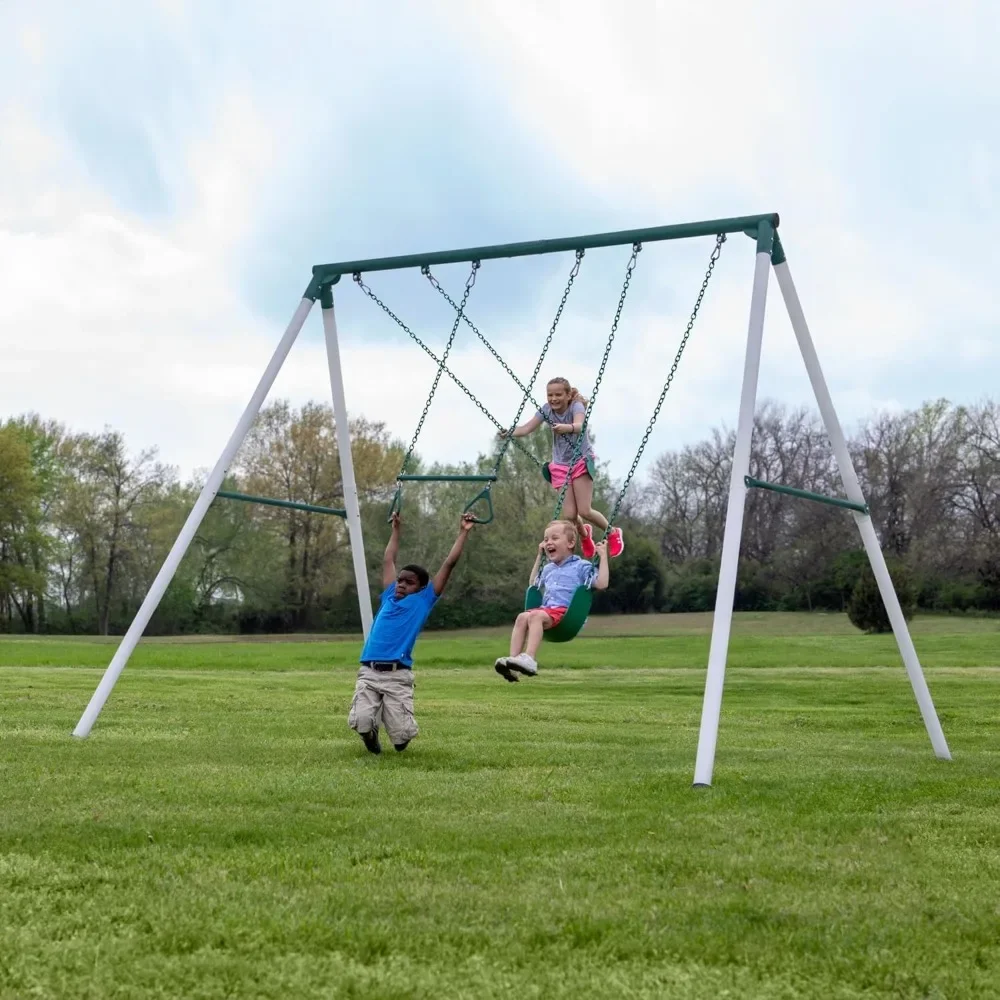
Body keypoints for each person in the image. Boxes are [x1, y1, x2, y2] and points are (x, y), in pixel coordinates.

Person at [349, 511, 475, 754]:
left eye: (409, 582)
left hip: (397, 675)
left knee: (401, 739)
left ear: (421, 587)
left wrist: (463, 532)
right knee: (361, 722)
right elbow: (388, 559)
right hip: (369, 670)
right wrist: (396, 530)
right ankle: (371, 733)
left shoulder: (423, 601)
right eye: (400, 580)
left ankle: (392, 720)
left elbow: (449, 564)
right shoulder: (388, 596)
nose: (401, 585)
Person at [499, 376, 624, 559]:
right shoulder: (547, 410)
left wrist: (567, 428)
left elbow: (580, 425)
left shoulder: (576, 406)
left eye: (558, 394)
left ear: (567, 395)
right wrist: (510, 432)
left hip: (580, 460)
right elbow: (527, 428)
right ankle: (584, 535)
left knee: (584, 510)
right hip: (560, 466)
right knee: (570, 514)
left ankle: (612, 532)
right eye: (550, 395)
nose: (554, 399)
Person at [495, 519, 609, 682]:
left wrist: (603, 557)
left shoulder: (581, 566)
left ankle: (530, 659)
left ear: (570, 543)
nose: (549, 542)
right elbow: (533, 584)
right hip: (548, 611)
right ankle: (512, 663)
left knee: (535, 616)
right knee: (522, 617)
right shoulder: (547, 568)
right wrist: (539, 556)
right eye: (546, 539)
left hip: (567, 614)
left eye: (554, 538)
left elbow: (602, 583)